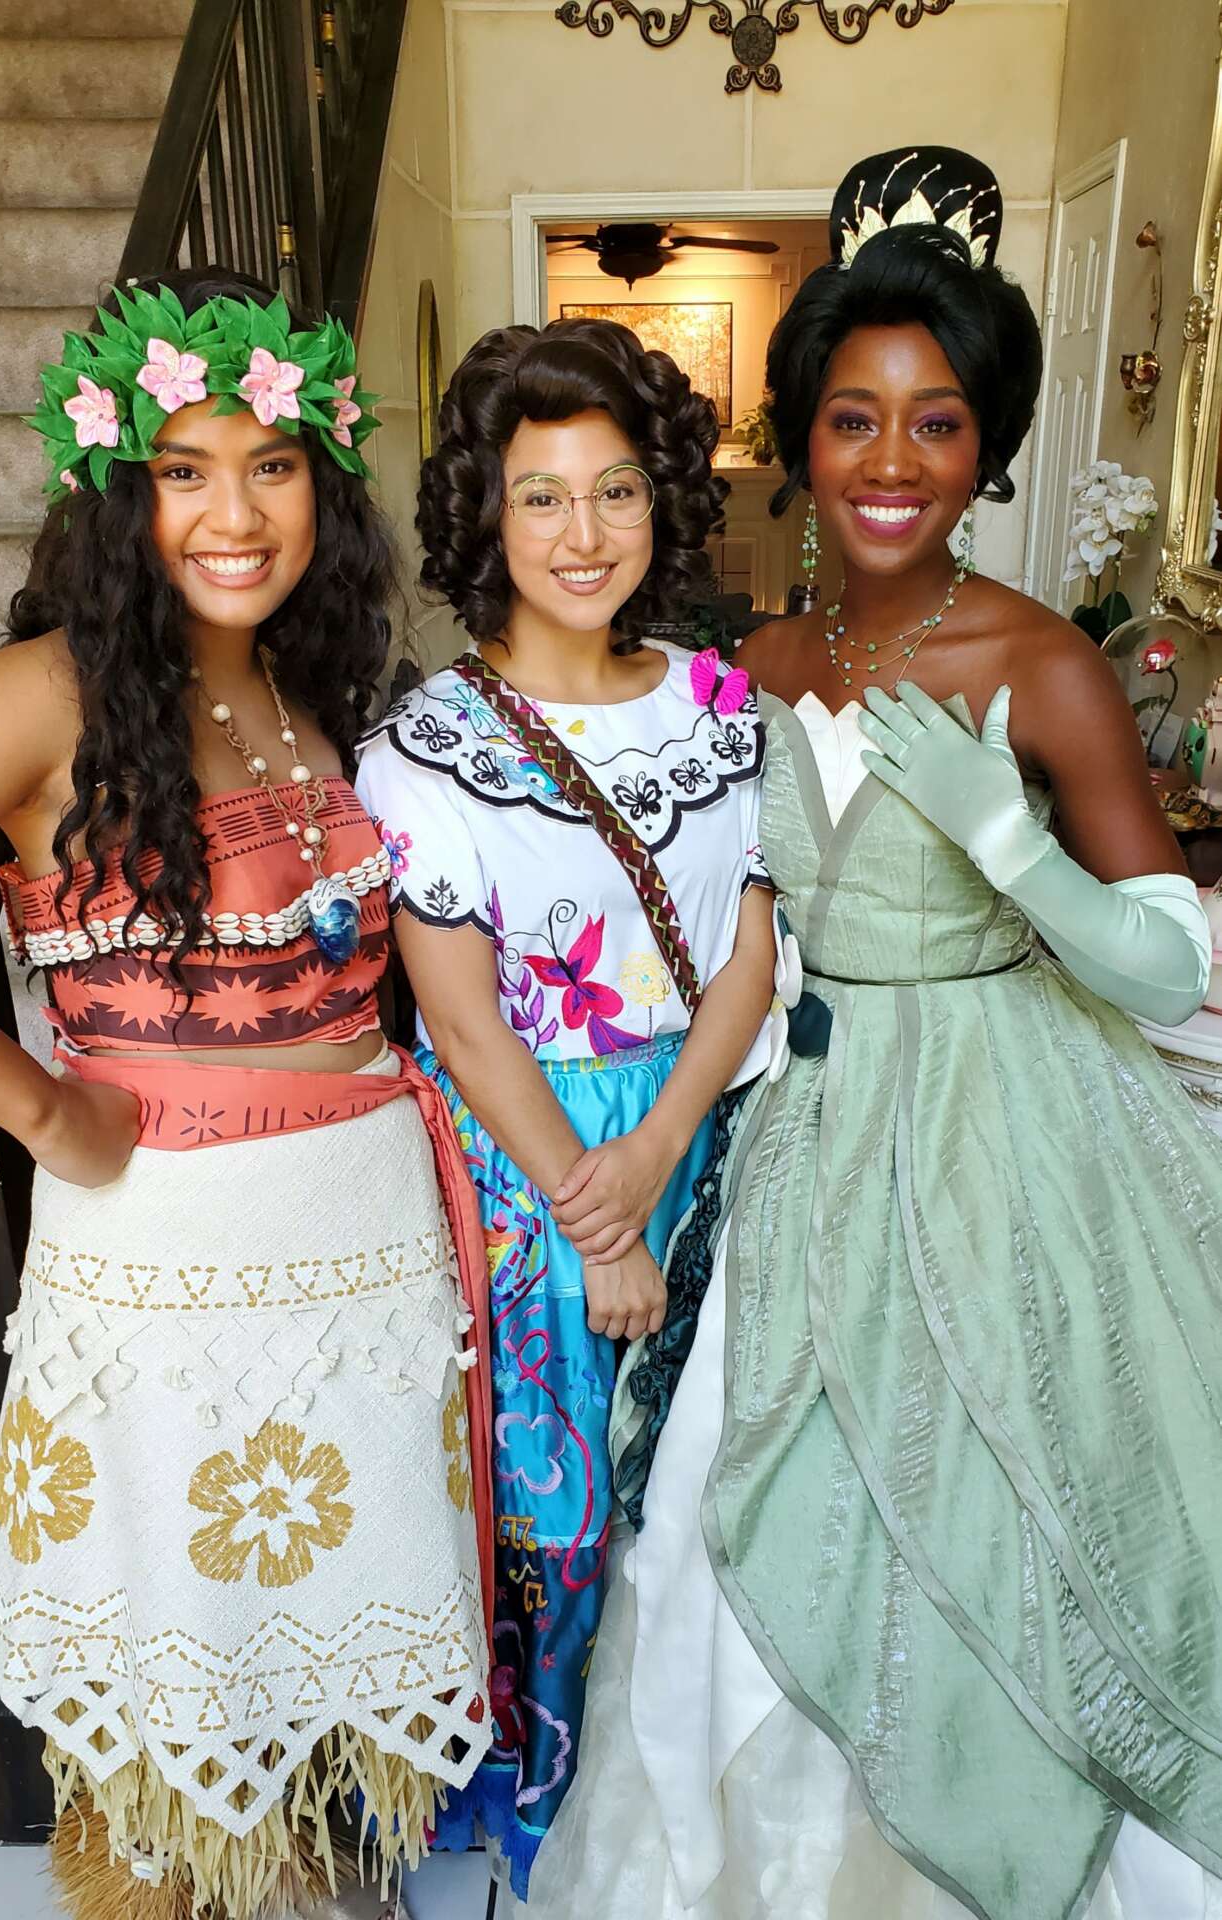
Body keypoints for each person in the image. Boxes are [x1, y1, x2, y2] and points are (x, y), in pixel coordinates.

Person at [520, 150, 1222, 1920]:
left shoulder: (1042, 663)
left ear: (985, 450)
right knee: (762, 1478)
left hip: (1008, 1130)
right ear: (800, 441)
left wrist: (1014, 851)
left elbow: (1164, 965)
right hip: (814, 1124)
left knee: (998, 1489)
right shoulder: (753, 660)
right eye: (852, 419)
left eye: (935, 423)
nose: (891, 461)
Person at [0, 269, 495, 1920]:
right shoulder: (42, 696)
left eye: (274, 466)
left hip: (362, 1227)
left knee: (311, 1621)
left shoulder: (309, 684)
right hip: (169, 1249)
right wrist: (38, 1111)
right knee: (180, 1644)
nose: (235, 515)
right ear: (120, 490)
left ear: (326, 483)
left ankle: (300, 1875)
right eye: (185, 469)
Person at [354, 318, 775, 1895]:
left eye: (614, 491)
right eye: (540, 496)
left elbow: (750, 951)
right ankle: (546, 1783)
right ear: (486, 513)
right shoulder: (426, 749)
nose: (581, 533)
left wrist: (659, 1148)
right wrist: (597, 1223)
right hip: (523, 1167)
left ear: (662, 501)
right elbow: (462, 1022)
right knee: (555, 1493)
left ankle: (673, 1782)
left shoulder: (721, 708)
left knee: (698, 1473)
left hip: (701, 1126)